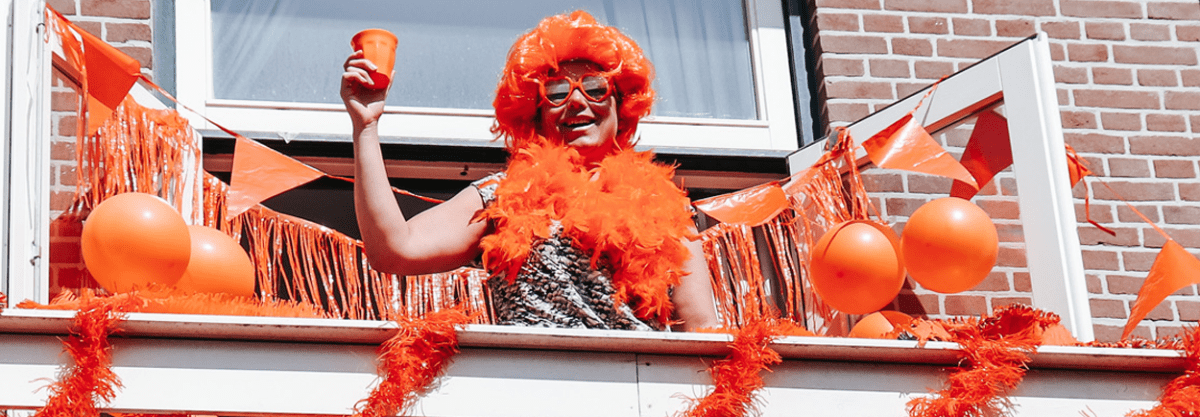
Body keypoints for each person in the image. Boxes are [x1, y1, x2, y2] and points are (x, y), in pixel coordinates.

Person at [340, 11, 717, 331]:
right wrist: (366, 127)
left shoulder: (666, 209)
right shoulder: (502, 195)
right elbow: (394, 251)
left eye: (595, 88)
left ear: (621, 105)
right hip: (529, 387)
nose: (576, 102)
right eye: (556, 92)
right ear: (535, 113)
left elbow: (703, 333)